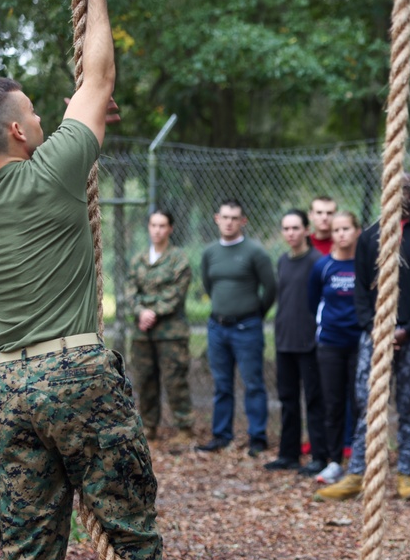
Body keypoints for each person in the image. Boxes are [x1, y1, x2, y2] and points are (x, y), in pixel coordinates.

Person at [0, 0, 217, 560]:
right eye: (32, 113)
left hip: (10, 384)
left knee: (27, 535)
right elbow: (97, 76)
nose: (43, 117)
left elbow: (80, 106)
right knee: (125, 516)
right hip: (78, 375)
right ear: (16, 133)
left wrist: (77, 122)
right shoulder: (53, 170)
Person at [317, 172, 410, 502]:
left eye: (406, 190)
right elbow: (361, 289)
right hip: (374, 334)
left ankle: (405, 473)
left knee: (409, 403)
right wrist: (374, 327)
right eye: (393, 189)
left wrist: (408, 329)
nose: (399, 195)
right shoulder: (370, 237)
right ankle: (357, 473)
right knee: (367, 405)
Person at [198, 199, 277, 456]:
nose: (229, 222)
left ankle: (257, 437)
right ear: (216, 219)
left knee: (253, 383)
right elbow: (209, 285)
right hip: (217, 328)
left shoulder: (255, 252)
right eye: (225, 217)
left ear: (243, 221)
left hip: (247, 327)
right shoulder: (210, 253)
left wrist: (254, 313)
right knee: (222, 384)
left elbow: (271, 288)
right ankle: (221, 435)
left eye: (234, 218)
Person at [127, 209, 194, 452]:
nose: (157, 230)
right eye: (153, 225)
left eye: (162, 225)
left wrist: (151, 311)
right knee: (145, 380)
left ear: (170, 229)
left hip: (171, 333)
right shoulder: (139, 259)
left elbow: (176, 293)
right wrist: (140, 311)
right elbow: (130, 290)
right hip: (143, 333)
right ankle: (149, 428)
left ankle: (185, 428)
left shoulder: (179, 258)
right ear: (148, 228)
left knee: (174, 379)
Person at [266, 209, 326, 472]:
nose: (291, 233)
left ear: (306, 230)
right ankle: (288, 454)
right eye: (286, 229)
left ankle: (319, 456)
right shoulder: (282, 261)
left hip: (309, 343)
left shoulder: (317, 261)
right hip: (285, 341)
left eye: (295, 228)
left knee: (314, 400)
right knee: (288, 400)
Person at [307, 210, 363, 485]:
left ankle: (359, 461)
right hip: (329, 344)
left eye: (346, 229)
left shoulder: (365, 266)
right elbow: (312, 302)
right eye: (337, 230)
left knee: (360, 402)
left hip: (359, 345)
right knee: (333, 404)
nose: (341, 234)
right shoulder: (323, 267)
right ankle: (333, 462)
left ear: (357, 231)